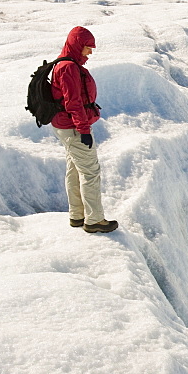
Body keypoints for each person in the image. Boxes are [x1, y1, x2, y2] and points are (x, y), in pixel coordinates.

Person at [51, 26, 118, 233]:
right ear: (77, 46)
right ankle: (95, 220)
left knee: (74, 169)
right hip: (74, 128)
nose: (90, 53)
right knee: (90, 172)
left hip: (67, 126)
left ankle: (77, 215)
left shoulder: (66, 64)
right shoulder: (68, 68)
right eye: (88, 48)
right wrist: (84, 130)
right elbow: (74, 103)